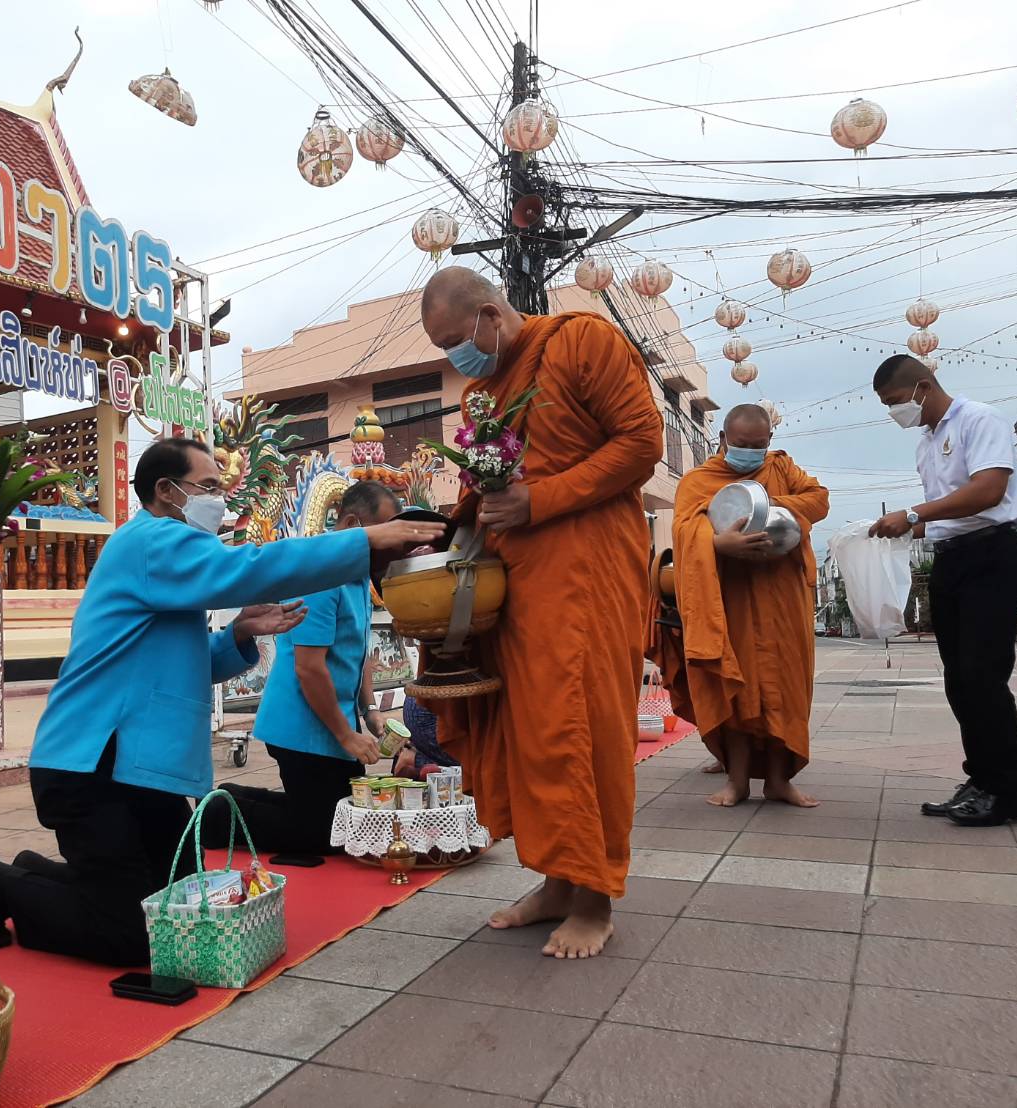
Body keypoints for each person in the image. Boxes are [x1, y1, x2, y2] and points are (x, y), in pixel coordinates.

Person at [0, 440, 441, 964]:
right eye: (209, 486)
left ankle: (43, 872)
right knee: (134, 937)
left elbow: (179, 667)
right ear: (166, 491)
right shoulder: (153, 540)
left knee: (182, 910)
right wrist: (363, 542)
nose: (219, 499)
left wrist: (238, 634)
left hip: (138, 766)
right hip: (91, 764)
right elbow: (250, 567)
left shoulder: (164, 557)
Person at [419, 267, 664, 958]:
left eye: (454, 340)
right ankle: (557, 883)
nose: (454, 357)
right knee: (532, 735)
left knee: (580, 728)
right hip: (516, 589)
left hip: (585, 574)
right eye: (441, 348)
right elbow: (487, 488)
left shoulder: (583, 342)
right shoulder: (481, 395)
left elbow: (641, 445)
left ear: (490, 316)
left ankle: (594, 899)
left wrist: (541, 499)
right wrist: (447, 533)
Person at [870, 355, 1017, 826]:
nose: (894, 412)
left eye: (895, 401)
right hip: (951, 559)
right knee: (959, 679)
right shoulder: (926, 443)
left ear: (922, 386)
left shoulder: (980, 420)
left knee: (984, 675)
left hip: (990, 557)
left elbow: (988, 492)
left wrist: (912, 514)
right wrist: (892, 529)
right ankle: (980, 779)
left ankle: (1007, 791)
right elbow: (947, 516)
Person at [203, 481, 401, 854]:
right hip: (301, 726)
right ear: (352, 525)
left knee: (346, 815)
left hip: (331, 722)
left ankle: (231, 797)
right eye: (385, 533)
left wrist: (370, 712)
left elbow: (357, 653)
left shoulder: (357, 576)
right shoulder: (321, 576)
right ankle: (216, 815)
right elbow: (309, 669)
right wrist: (347, 736)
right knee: (324, 833)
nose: (392, 544)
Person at [661, 403, 830, 808]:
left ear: (769, 440)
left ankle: (779, 781)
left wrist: (767, 506)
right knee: (735, 688)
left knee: (784, 688)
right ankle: (736, 781)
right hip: (729, 598)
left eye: (758, 445)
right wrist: (718, 543)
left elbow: (818, 500)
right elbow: (684, 531)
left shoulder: (781, 468)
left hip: (781, 595)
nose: (750, 453)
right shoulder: (699, 481)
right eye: (741, 444)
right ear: (722, 439)